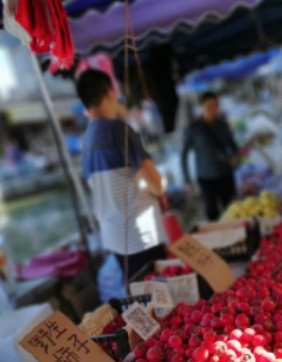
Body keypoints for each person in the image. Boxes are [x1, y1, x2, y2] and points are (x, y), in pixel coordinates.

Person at [76, 69, 167, 280]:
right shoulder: (118, 130)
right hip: (141, 235)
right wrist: (160, 191)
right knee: (161, 294)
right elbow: (155, 182)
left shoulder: (86, 141)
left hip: (115, 238)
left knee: (140, 293)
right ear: (110, 93)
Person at [181, 91, 239, 221]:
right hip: (206, 178)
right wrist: (187, 180)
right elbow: (183, 155)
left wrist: (234, 156)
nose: (213, 109)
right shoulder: (194, 129)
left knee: (233, 210)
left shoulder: (223, 125)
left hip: (225, 174)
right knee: (212, 214)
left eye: (215, 105)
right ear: (201, 107)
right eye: (209, 106)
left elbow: (233, 146)